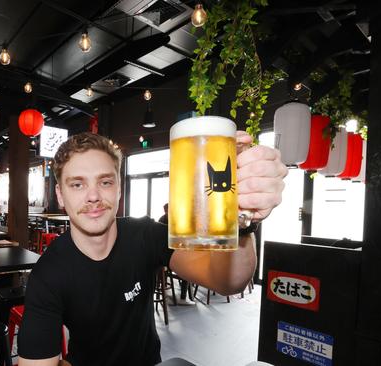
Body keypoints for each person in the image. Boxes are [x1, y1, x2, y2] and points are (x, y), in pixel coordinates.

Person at [18, 132, 287, 366]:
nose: (93, 196)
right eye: (78, 184)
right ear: (61, 196)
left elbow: (228, 281)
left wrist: (242, 222)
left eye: (105, 182)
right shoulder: (48, 274)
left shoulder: (145, 234)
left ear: (119, 190)